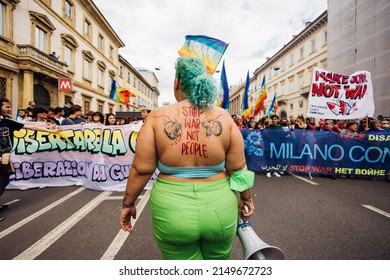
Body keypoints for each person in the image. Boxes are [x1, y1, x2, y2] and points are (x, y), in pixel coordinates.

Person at [120, 56, 255, 260]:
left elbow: (142, 169)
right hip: (219, 207)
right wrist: (245, 199)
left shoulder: (156, 117)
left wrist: (128, 204)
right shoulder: (224, 117)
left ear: (176, 83)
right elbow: (238, 168)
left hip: (172, 210)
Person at [0, 97, 60, 221]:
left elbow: (32, 127)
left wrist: (51, 131)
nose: (10, 109)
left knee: (4, 180)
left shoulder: (6, 122)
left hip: (4, 157)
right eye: (7, 106)